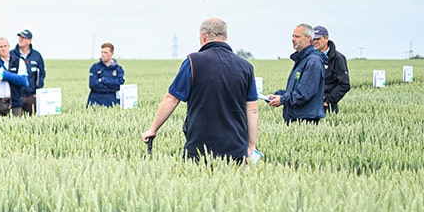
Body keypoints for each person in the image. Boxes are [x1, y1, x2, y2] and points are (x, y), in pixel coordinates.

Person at [142, 18, 258, 161]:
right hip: (236, 148)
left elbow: (172, 99)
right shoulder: (246, 66)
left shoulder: (193, 62)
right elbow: (252, 109)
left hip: (199, 147)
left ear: (203, 37)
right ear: (225, 37)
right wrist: (251, 145)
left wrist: (153, 129)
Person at [265, 23, 326, 124]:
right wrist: (277, 96)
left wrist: (282, 100)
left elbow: (304, 93)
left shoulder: (313, 61)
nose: (293, 39)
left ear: (308, 38)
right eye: (293, 36)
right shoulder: (302, 59)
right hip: (296, 118)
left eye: (297, 36)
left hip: (305, 120)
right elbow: (296, 90)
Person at [312, 25, 350, 113]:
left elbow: (344, 84)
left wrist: (328, 101)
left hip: (328, 108)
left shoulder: (338, 58)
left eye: (318, 39)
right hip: (310, 106)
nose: (315, 42)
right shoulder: (310, 58)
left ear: (326, 39)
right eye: (313, 39)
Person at [14, 29, 46, 116]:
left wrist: (38, 91)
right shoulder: (12, 55)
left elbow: (41, 74)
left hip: (31, 96)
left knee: (32, 120)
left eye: (23, 38)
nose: (20, 39)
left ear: (29, 40)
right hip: (16, 97)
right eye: (20, 37)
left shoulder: (36, 56)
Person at [87, 42, 125, 107]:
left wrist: (103, 80)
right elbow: (92, 84)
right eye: (102, 52)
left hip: (112, 102)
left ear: (112, 53)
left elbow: (119, 85)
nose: (103, 54)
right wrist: (111, 87)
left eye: (106, 52)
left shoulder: (118, 69)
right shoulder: (95, 67)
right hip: (95, 101)